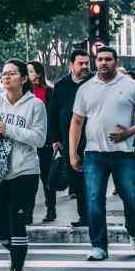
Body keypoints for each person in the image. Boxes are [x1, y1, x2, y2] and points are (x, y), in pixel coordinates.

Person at [70, 46, 135, 261]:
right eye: (99, 59)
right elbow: (77, 122)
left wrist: (131, 130)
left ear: (115, 62)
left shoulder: (130, 86)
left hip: (124, 154)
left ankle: (134, 229)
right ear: (95, 62)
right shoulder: (86, 88)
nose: (103, 63)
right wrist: (72, 153)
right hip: (93, 154)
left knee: (134, 198)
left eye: (108, 59)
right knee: (94, 200)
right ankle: (99, 246)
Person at [0, 58, 47, 271]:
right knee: (1, 230)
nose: (6, 76)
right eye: (4, 73)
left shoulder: (35, 105)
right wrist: (8, 131)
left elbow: (39, 138)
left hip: (25, 171)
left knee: (17, 223)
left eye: (12, 73)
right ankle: (19, 252)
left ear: (23, 78)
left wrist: (9, 129)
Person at [48, 49, 92, 227]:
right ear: (71, 65)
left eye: (87, 63)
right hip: (69, 141)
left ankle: (93, 216)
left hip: (92, 139)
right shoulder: (61, 85)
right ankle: (84, 216)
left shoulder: (94, 83)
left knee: (92, 180)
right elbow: (52, 113)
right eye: (80, 63)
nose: (84, 66)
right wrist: (55, 139)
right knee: (77, 180)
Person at [26, 60, 57, 223]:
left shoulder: (49, 91)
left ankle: (51, 209)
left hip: (45, 142)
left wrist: (54, 140)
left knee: (46, 178)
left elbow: (52, 118)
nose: (27, 74)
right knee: (28, 179)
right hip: (26, 141)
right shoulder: (23, 93)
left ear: (38, 73)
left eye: (30, 71)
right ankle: (28, 212)